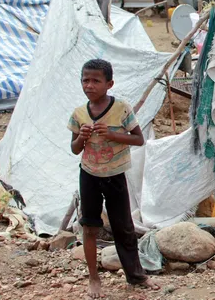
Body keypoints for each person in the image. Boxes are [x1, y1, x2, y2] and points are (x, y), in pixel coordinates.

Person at [68, 59, 159, 298]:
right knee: (89, 227)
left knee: (124, 228)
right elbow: (75, 148)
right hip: (89, 175)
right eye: (85, 80)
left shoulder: (121, 109)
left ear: (109, 83)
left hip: (115, 175)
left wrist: (112, 135)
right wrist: (82, 138)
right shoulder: (79, 114)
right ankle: (93, 278)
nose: (89, 85)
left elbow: (139, 139)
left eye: (96, 80)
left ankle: (136, 276)